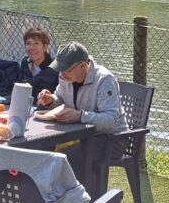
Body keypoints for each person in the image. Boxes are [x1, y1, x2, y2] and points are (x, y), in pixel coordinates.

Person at [37, 41, 128, 184]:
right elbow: (60, 98)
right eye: (60, 70)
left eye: (67, 70)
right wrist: (51, 100)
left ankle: (81, 196)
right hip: (82, 135)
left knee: (67, 156)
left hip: (112, 139)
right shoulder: (65, 76)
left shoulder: (105, 80)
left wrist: (80, 116)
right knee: (42, 146)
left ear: (83, 65)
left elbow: (111, 121)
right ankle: (50, 194)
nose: (62, 75)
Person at [19, 28, 59, 104]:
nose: (32, 47)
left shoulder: (54, 67)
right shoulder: (25, 62)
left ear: (45, 46)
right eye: (28, 43)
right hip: (24, 105)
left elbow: (59, 97)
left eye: (36, 43)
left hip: (47, 107)